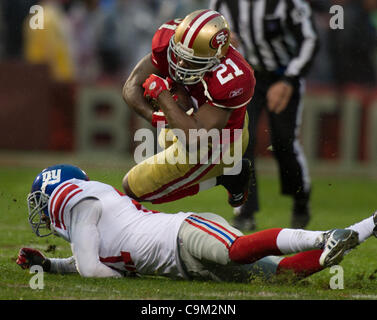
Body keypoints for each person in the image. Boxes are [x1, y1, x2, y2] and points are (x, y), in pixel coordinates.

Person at [16, 164, 377, 282]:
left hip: (182, 233)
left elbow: (92, 270)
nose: (41, 211)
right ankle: (369, 225)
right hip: (182, 263)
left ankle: (325, 235)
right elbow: (86, 262)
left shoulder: (75, 196)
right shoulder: (86, 223)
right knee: (279, 275)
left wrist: (127, 276)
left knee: (238, 251)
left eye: (40, 201)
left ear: (56, 191)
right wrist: (48, 265)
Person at [121, 9, 255, 208]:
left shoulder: (235, 79)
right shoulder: (168, 38)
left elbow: (193, 138)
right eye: (178, 54)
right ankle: (223, 173)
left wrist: (163, 96)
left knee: (133, 188)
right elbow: (131, 86)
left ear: (214, 60)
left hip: (216, 141)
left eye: (192, 61)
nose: (180, 63)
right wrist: (154, 116)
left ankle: (227, 176)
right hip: (189, 122)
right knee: (164, 138)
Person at [209, 0, 320, 231]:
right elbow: (207, 37)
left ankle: (301, 199)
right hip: (245, 76)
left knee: (283, 142)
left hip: (283, 74)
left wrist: (289, 79)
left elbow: (310, 39)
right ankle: (244, 211)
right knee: (239, 141)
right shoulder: (222, 3)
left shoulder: (287, 3)